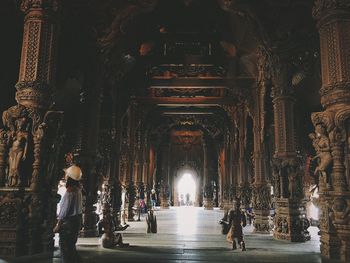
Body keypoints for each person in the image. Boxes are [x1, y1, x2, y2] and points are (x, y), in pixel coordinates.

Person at [53, 165, 83, 263]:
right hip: (76, 221)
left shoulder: (70, 191)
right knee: (71, 247)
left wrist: (58, 224)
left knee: (65, 249)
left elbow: (65, 210)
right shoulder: (78, 190)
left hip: (68, 223)